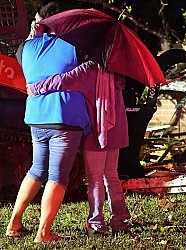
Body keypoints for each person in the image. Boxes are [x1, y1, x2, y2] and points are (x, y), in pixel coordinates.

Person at [5, 2, 91, 242]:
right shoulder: (75, 46)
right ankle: (43, 232)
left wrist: (36, 31)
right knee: (58, 177)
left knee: (37, 169)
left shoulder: (25, 48)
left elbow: (29, 63)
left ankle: (14, 223)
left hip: (36, 117)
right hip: (64, 117)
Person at [28, 60, 132, 237]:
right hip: (115, 131)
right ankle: (120, 221)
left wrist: (35, 88)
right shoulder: (117, 70)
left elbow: (61, 80)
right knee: (111, 175)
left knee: (95, 179)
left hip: (96, 131)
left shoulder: (88, 69)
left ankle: (97, 224)